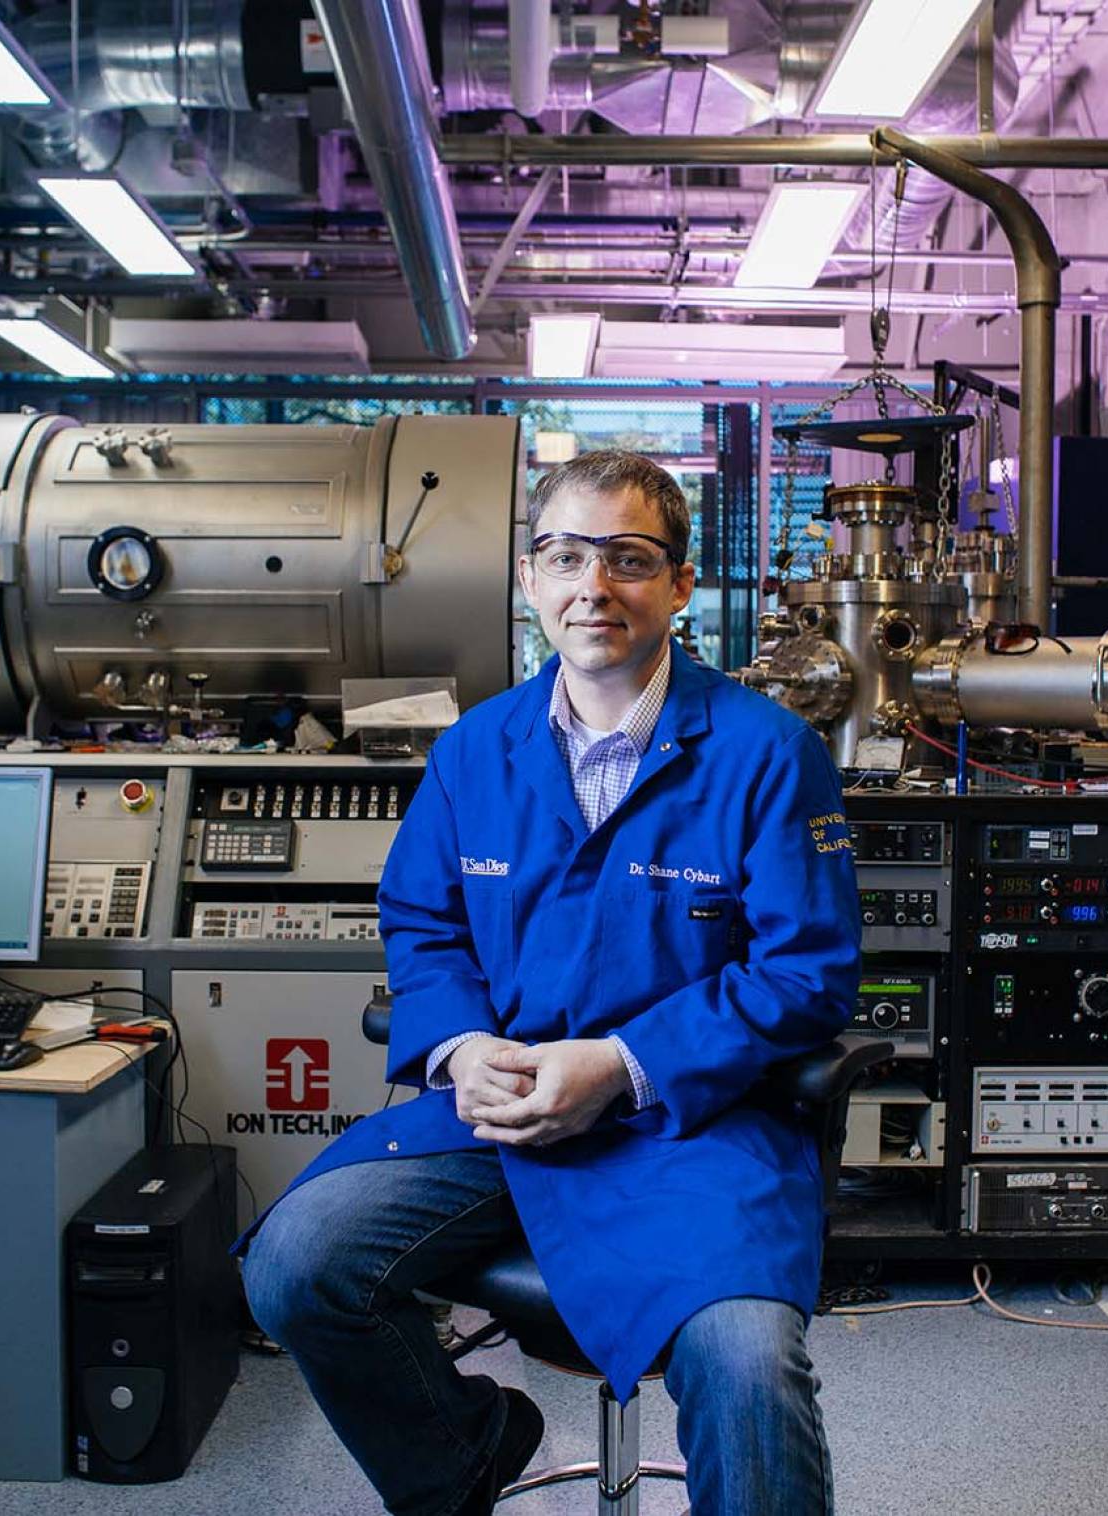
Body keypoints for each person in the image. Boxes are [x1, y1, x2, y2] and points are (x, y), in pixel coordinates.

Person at [240, 449, 861, 1515]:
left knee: (747, 1363)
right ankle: (463, 1457)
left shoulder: (769, 752)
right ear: (529, 578)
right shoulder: (475, 750)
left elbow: (805, 974)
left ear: (680, 583)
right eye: (566, 556)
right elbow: (424, 924)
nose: (594, 585)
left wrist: (621, 1063)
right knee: (294, 1267)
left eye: (629, 558)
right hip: (503, 1114)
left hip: (692, 1125)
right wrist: (462, 1049)